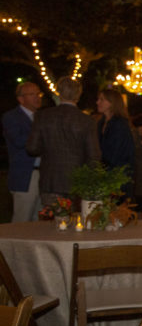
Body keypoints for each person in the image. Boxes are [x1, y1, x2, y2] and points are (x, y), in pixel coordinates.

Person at [26, 76, 101, 207]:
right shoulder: (87, 121)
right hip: (77, 182)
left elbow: (32, 148)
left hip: (51, 181)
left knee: (51, 222)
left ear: (59, 93)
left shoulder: (42, 116)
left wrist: (49, 147)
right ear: (78, 95)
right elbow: (94, 156)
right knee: (75, 222)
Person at [3, 81, 44, 221]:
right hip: (25, 175)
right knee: (22, 219)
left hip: (43, 173)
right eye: (32, 94)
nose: (37, 97)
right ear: (21, 99)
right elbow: (20, 141)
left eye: (38, 93)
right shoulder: (12, 117)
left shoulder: (41, 117)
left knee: (39, 220)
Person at [95, 88, 135, 179]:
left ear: (112, 102)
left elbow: (116, 152)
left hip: (117, 175)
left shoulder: (119, 124)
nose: (98, 102)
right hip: (105, 172)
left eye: (102, 99)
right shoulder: (101, 123)